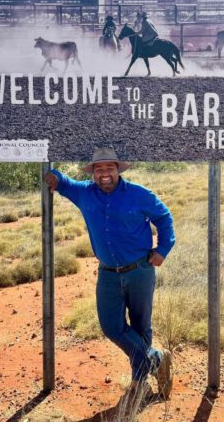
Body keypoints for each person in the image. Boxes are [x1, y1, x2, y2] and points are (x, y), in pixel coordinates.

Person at [43, 147, 176, 403]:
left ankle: (139, 383)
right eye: (99, 169)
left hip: (140, 270)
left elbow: (164, 217)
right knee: (111, 326)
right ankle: (156, 359)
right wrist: (54, 176)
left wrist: (163, 249)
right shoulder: (84, 193)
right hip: (108, 275)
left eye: (109, 168)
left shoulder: (138, 194)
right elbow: (64, 182)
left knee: (140, 326)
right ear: (93, 173)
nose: (105, 173)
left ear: (118, 170)